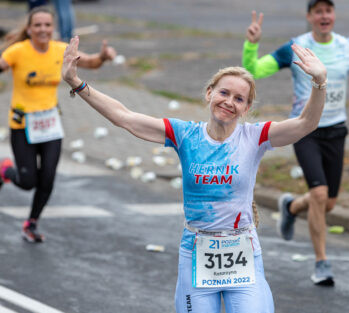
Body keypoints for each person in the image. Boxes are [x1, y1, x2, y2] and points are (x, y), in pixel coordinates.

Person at [61, 35, 326, 312]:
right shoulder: (185, 134)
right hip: (197, 252)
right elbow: (124, 116)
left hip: (242, 252)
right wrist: (76, 83)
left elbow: (306, 123)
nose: (229, 102)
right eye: (224, 93)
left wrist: (319, 83)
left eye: (239, 99)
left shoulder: (255, 137)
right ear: (209, 93)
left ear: (246, 108)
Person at [242, 0, 349, 286]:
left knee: (328, 203)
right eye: (318, 11)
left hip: (336, 130)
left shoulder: (348, 47)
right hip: (305, 129)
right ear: (310, 16)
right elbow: (255, 70)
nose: (324, 16)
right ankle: (322, 263)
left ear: (333, 15)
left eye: (328, 10)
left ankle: (291, 207)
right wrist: (252, 45)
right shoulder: (295, 47)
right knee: (320, 194)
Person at [0, 6, 116, 243]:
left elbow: (91, 62)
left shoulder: (60, 50)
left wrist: (103, 57)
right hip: (22, 124)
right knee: (28, 181)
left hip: (50, 125)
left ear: (53, 28)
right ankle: (4, 171)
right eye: (38, 25)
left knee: (48, 179)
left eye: (47, 25)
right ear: (30, 29)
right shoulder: (17, 51)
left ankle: (31, 223)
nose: (43, 29)